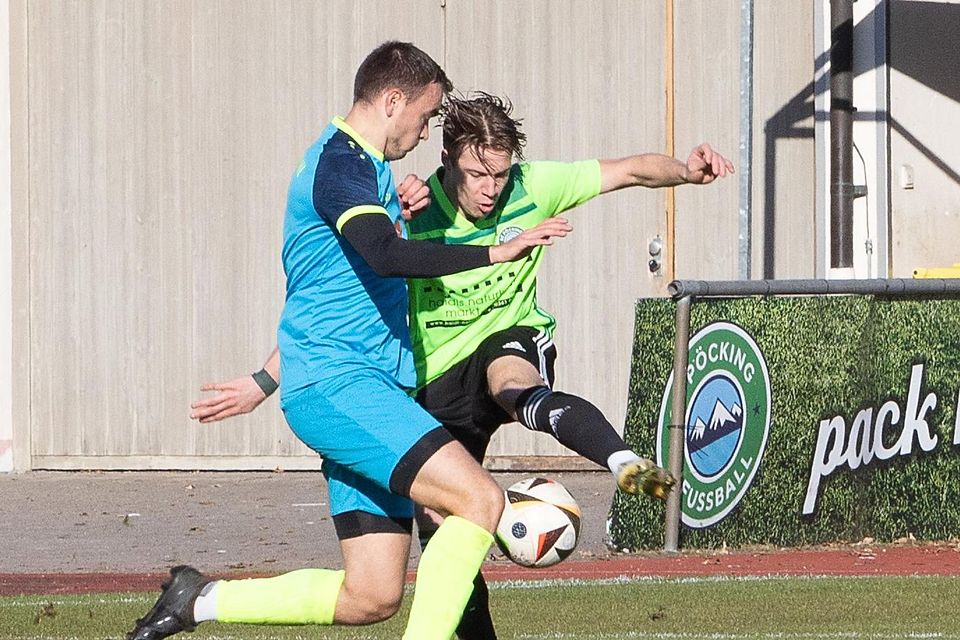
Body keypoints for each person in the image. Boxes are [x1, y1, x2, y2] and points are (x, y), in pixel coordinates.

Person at [189, 93, 733, 640]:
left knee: (513, 383)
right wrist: (265, 380)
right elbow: (337, 304)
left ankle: (622, 463)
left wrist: (684, 172)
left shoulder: (534, 186)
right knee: (445, 542)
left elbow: (630, 171)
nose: (491, 189)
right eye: (477, 174)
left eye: (500, 174)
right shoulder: (411, 212)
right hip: (431, 386)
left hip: (507, 341)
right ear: (449, 159)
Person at [125, 44, 573, 640]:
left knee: (372, 595)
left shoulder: (368, 172)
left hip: (354, 387)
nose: (420, 135)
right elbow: (385, 259)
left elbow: (327, 294)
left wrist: (264, 381)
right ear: (393, 102)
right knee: (480, 502)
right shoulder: (340, 165)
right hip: (343, 390)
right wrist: (496, 250)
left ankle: (198, 601)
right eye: (422, 116)